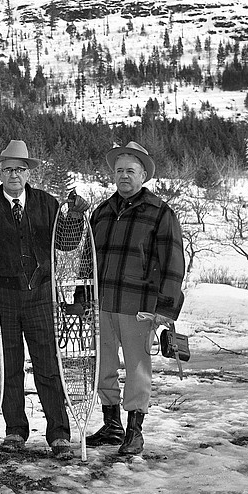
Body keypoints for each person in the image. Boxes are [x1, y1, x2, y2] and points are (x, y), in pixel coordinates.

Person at [0, 140, 87, 457]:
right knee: (8, 364)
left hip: (40, 293)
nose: (14, 174)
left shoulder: (47, 203)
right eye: (8, 168)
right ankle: (14, 431)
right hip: (0, 297)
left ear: (29, 172)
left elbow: (66, 245)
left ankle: (59, 434)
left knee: (48, 363)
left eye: (20, 169)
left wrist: (75, 216)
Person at [88, 141, 186, 456]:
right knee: (102, 365)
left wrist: (166, 309)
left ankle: (134, 431)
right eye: (119, 171)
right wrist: (82, 296)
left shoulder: (160, 213)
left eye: (131, 171)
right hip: (103, 302)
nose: (124, 176)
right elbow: (87, 261)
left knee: (137, 368)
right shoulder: (102, 212)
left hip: (139, 306)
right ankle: (112, 425)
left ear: (143, 174)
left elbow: (173, 264)